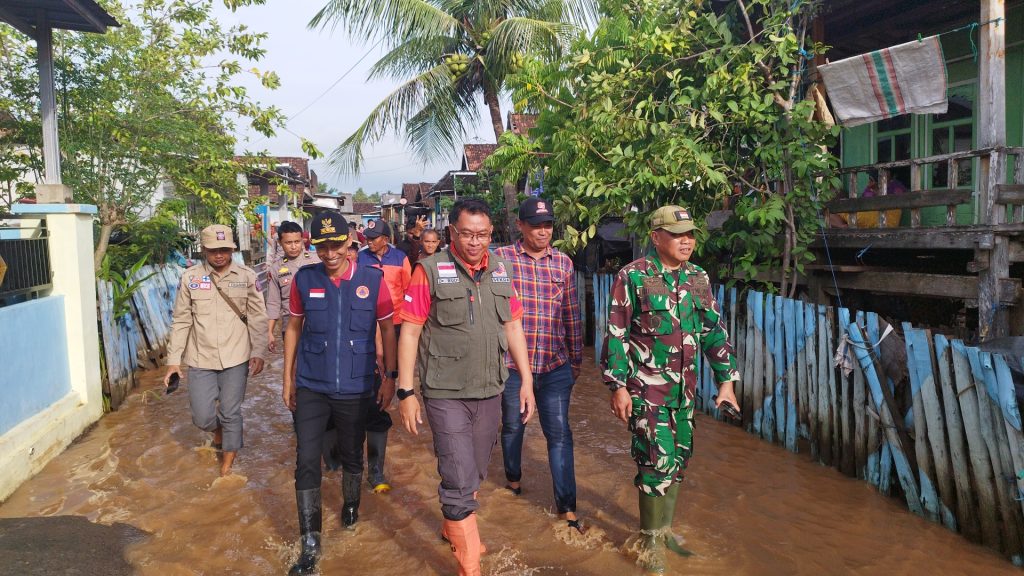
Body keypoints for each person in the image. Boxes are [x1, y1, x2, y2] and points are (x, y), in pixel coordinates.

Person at [397, 198, 536, 576]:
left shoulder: (502, 270)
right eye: (467, 234)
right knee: (458, 476)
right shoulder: (429, 270)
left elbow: (512, 326)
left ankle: (452, 526)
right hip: (445, 391)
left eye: (483, 235)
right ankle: (470, 563)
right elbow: (409, 330)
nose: (475, 242)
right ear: (452, 233)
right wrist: (405, 392)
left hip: (490, 386)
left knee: (473, 473)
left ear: (492, 234)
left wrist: (526, 380)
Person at [600, 205, 740, 575]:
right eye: (678, 234)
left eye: (691, 234)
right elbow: (616, 333)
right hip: (647, 392)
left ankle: (664, 532)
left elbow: (712, 330)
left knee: (678, 463)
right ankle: (650, 546)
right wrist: (617, 387)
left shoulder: (697, 277)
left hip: (685, 393)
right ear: (656, 237)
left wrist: (726, 381)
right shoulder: (634, 276)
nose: (687, 241)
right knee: (655, 464)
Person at [282, 211, 397, 576]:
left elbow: (388, 329)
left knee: (351, 454)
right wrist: (288, 380)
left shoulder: (372, 280)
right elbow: (293, 330)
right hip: (312, 384)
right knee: (305, 460)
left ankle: (350, 508)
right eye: (322, 246)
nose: (330, 253)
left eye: (336, 244)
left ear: (351, 242)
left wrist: (390, 377)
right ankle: (310, 544)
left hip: (356, 382)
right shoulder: (304, 280)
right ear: (313, 246)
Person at [494, 197, 585, 533]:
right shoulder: (502, 260)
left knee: (559, 434)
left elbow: (571, 313)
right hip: (513, 367)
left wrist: (576, 360)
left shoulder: (563, 263)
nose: (543, 231)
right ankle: (514, 479)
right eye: (536, 225)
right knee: (514, 426)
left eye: (548, 225)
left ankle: (567, 508)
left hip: (555, 364)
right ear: (520, 226)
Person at [164, 224, 268, 477]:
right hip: (201, 357)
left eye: (224, 250)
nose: (219, 255)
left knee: (231, 412)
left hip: (236, 356)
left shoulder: (246, 276)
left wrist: (259, 352)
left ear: (232, 249)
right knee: (202, 417)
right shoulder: (190, 278)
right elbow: (181, 320)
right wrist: (173, 361)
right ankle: (218, 432)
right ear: (203, 250)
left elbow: (258, 317)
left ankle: (226, 468)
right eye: (213, 250)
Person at [357, 218, 413, 493]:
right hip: (365, 325)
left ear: (385, 238)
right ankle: (348, 466)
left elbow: (409, 289)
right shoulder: (359, 258)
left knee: (387, 375)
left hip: (396, 321)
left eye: (374, 236)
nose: (370, 240)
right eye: (368, 236)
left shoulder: (400, 258)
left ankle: (375, 471)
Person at [266, 221, 319, 353]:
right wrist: (269, 332)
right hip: (290, 326)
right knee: (294, 365)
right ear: (279, 243)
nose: (294, 246)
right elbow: (273, 302)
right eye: (288, 243)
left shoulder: (317, 261)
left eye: (297, 241)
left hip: (318, 324)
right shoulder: (276, 268)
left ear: (302, 240)